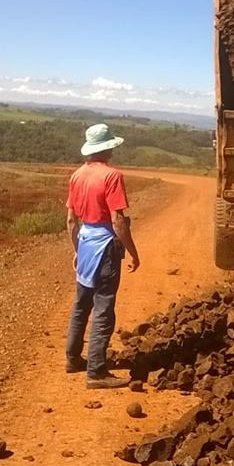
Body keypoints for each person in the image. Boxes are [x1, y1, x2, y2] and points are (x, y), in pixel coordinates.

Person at [64, 123, 141, 389]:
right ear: (108, 147)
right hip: (106, 246)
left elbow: (72, 221)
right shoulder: (112, 176)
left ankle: (73, 359)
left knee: (81, 303)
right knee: (104, 309)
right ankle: (96, 372)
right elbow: (118, 221)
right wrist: (133, 252)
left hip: (85, 242)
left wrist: (76, 251)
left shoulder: (76, 176)